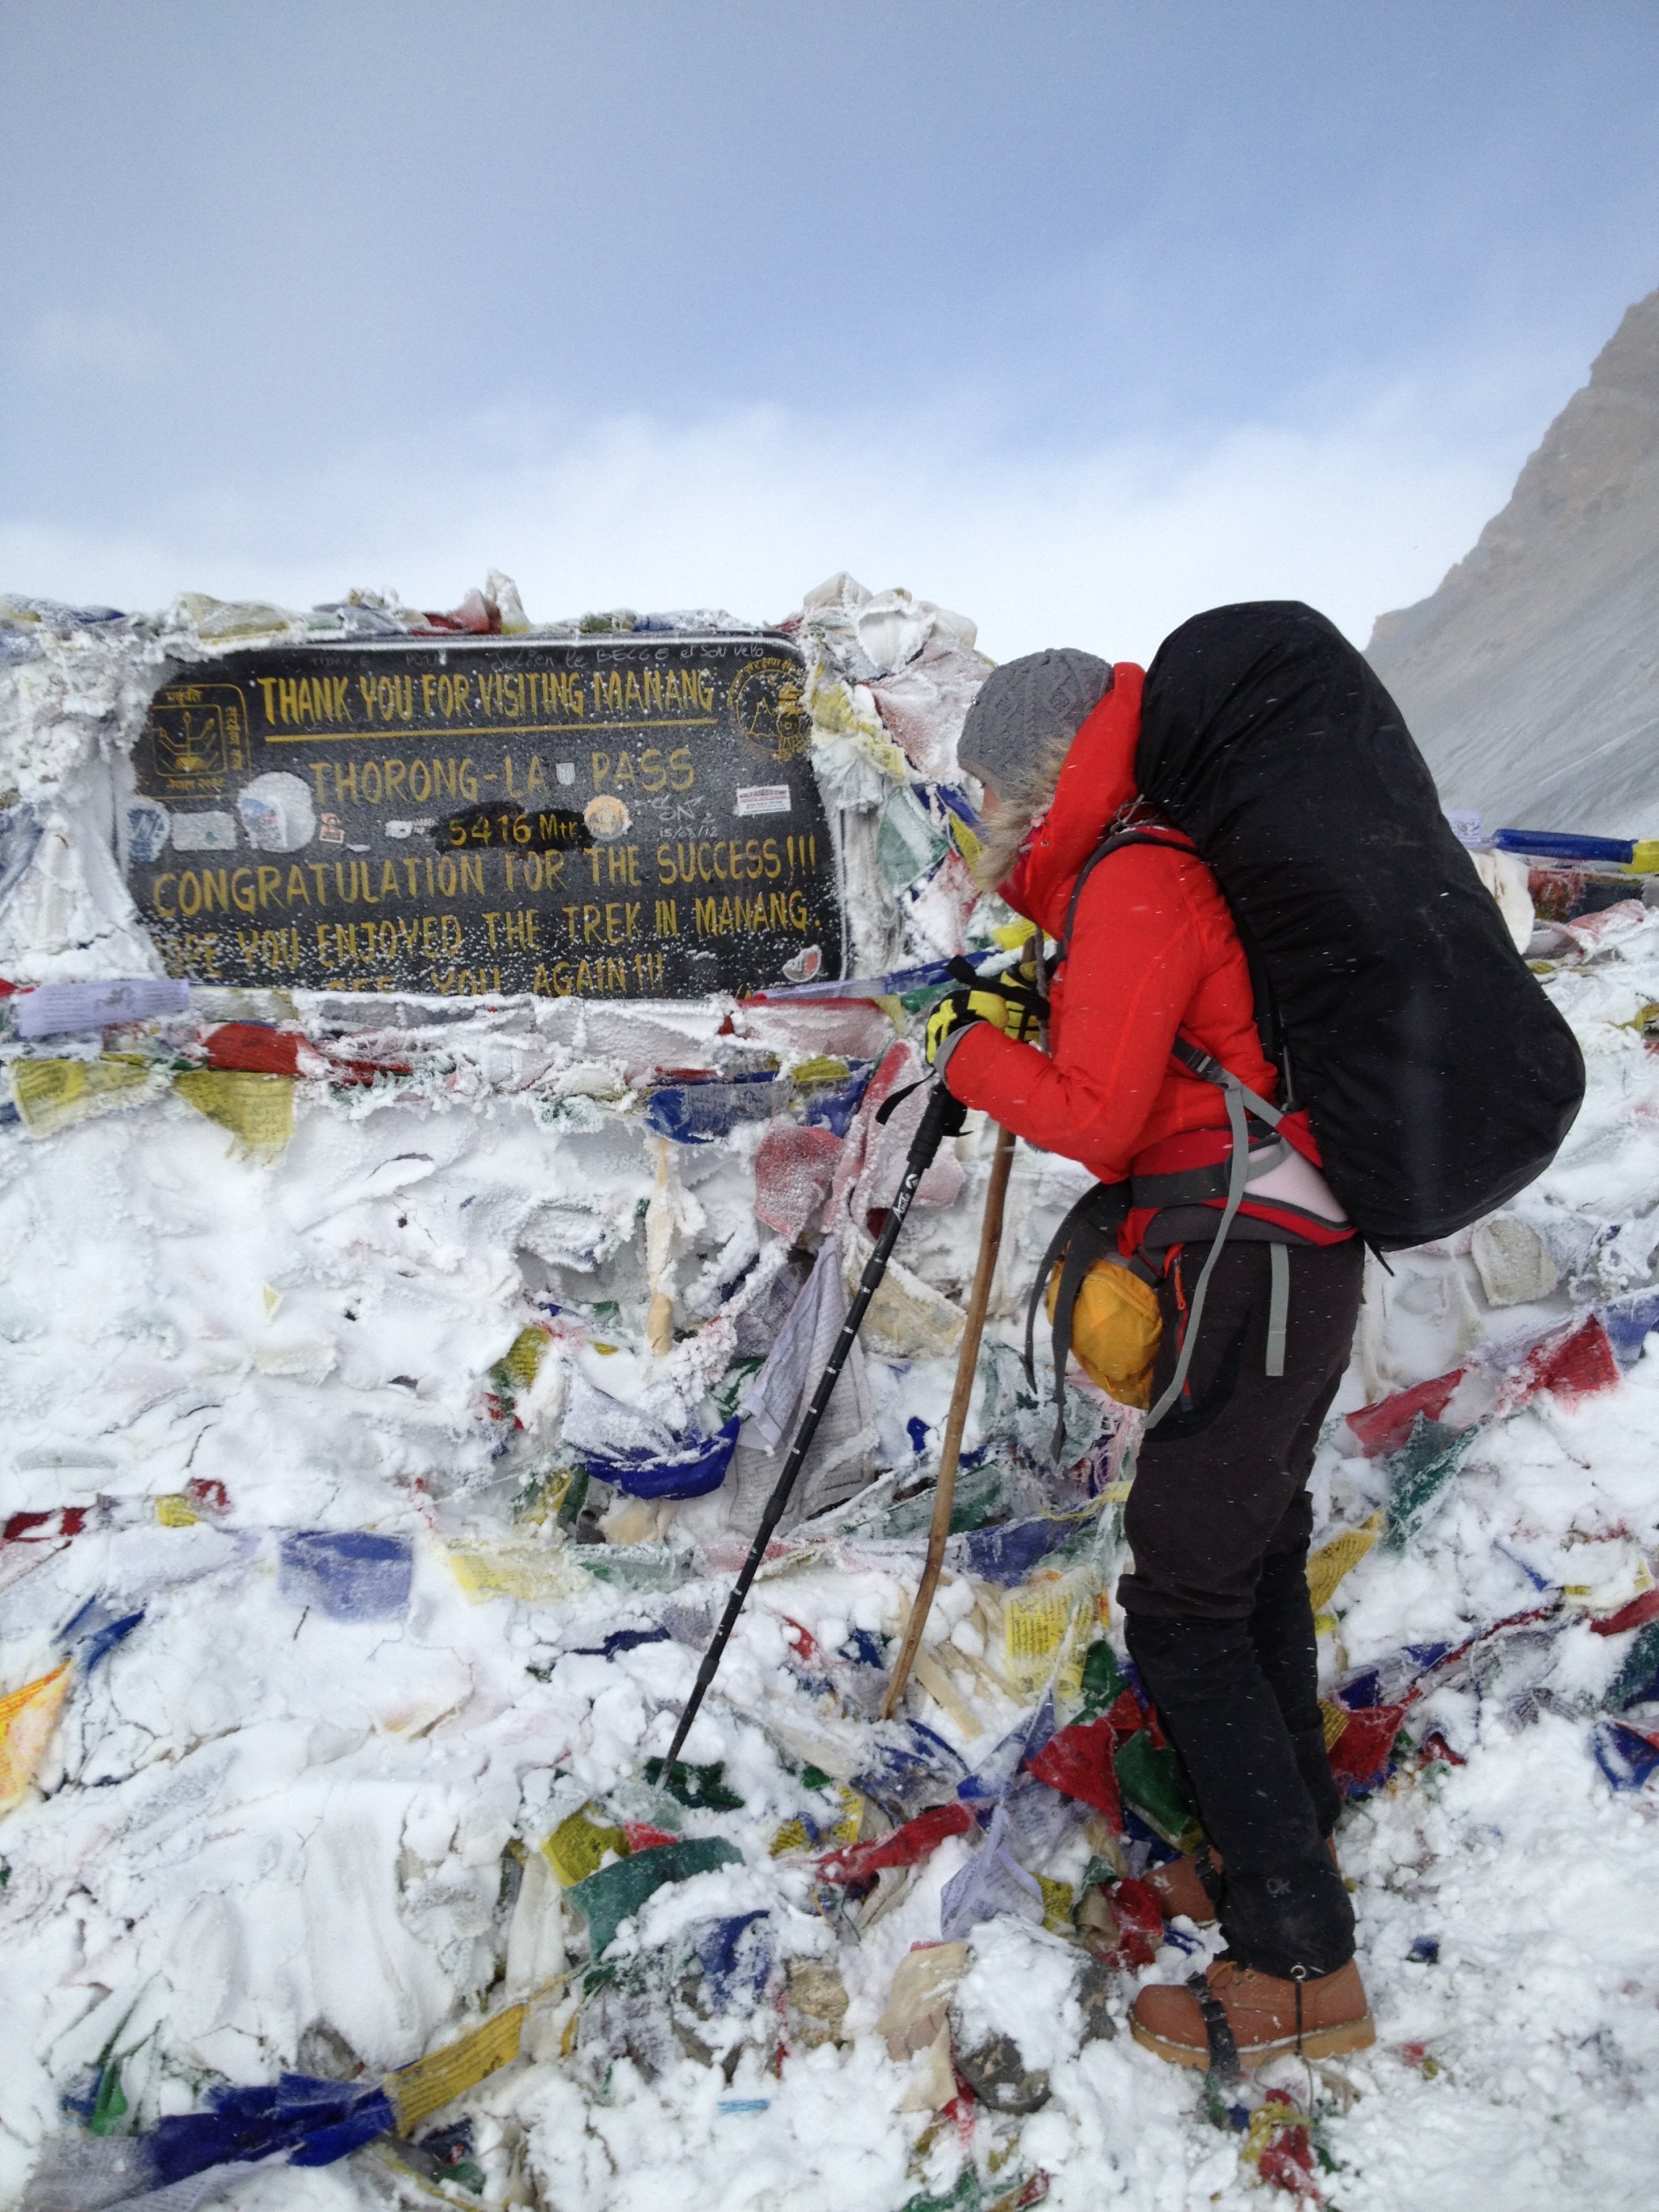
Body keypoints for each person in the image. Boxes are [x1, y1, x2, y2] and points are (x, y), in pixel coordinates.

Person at [926, 647, 1375, 2070]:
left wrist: (961, 1051)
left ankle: (1303, 1962)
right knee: (1243, 1560)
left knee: (1181, 1603)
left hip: (1255, 1266)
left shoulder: (1133, 872)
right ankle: (1277, 1842)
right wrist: (1023, 1018)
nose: (974, 813)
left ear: (1038, 776)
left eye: (983, 788)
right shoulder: (1139, 864)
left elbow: (1104, 1118)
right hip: (1276, 1258)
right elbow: (1146, 1056)